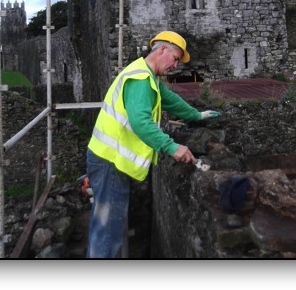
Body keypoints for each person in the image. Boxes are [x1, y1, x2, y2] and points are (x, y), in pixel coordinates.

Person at [86, 30, 222, 258]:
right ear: (161, 50)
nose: (176, 66)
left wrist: (196, 116)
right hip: (109, 162)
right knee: (109, 232)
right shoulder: (140, 80)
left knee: (106, 226)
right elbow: (141, 122)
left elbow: (170, 100)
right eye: (175, 58)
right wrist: (172, 147)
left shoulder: (146, 75)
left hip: (108, 158)